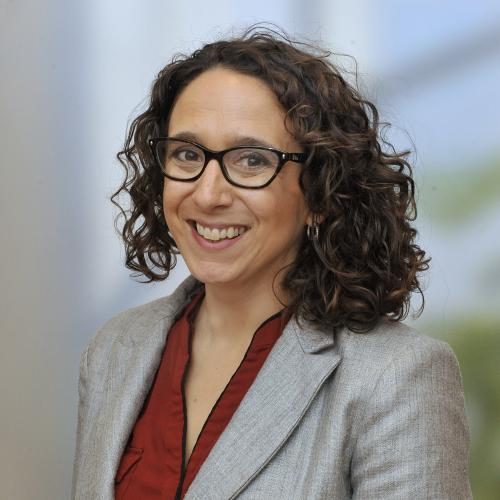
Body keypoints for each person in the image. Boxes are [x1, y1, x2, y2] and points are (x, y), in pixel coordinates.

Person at [71, 26, 472, 499]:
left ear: (321, 193)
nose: (208, 194)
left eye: (252, 161)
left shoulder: (396, 376)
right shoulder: (115, 350)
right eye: (187, 154)